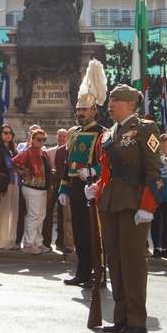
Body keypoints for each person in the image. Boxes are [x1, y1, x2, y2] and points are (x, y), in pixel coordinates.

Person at [88, 84, 161, 333]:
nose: (110, 105)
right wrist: (97, 188)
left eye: (115, 101)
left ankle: (136, 319)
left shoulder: (145, 128)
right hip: (110, 202)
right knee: (115, 260)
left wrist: (148, 206)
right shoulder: (108, 134)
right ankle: (120, 317)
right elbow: (108, 173)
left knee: (132, 261)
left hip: (134, 203)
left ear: (130, 104)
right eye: (110, 101)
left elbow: (155, 171)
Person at [57, 60, 106, 286]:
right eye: (78, 109)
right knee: (78, 232)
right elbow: (68, 163)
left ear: (94, 110)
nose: (80, 113)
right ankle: (82, 272)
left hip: (94, 188)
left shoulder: (103, 133)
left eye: (84, 109)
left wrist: (93, 170)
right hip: (76, 188)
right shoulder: (73, 133)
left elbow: (107, 162)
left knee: (93, 234)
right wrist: (64, 187)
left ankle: (98, 273)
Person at [12, 127, 51, 254]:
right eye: (38, 139)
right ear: (32, 140)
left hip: (42, 187)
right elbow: (15, 162)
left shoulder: (43, 153)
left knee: (41, 215)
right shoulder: (28, 151)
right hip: (31, 187)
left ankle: (38, 242)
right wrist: (24, 174)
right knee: (33, 215)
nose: (41, 142)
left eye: (43, 139)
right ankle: (28, 243)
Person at [42, 128, 68, 250]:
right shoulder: (48, 152)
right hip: (52, 184)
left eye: (64, 136)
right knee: (47, 213)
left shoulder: (69, 151)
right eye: (59, 136)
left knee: (63, 215)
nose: (61, 138)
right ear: (56, 137)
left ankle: (61, 242)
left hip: (64, 184)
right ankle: (46, 242)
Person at [0, 125, 20, 250]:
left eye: (10, 133)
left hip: (15, 182)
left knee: (14, 212)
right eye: (5, 133)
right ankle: (2, 242)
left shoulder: (13, 149)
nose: (8, 135)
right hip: (5, 183)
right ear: (0, 134)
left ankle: (11, 240)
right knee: (3, 212)